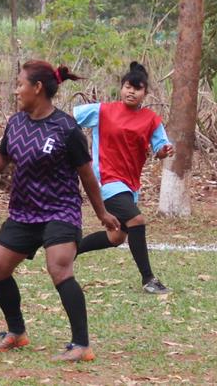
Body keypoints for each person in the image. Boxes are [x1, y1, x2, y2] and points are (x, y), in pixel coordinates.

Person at [0, 60, 120, 362]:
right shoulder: (16, 123)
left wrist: (102, 213)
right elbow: (3, 155)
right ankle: (16, 332)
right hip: (24, 211)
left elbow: (87, 175)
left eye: (20, 84)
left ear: (37, 88)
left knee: (59, 267)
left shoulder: (66, 128)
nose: (16, 91)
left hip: (59, 210)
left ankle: (81, 345)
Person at [74, 62, 174, 294]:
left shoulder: (151, 119)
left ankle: (68, 250)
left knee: (116, 236)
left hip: (129, 185)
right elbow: (68, 120)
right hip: (105, 180)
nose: (131, 91)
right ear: (121, 88)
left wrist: (164, 151)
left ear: (145, 94)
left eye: (137, 89)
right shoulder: (103, 110)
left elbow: (161, 148)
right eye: (128, 86)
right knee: (137, 221)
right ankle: (148, 279)